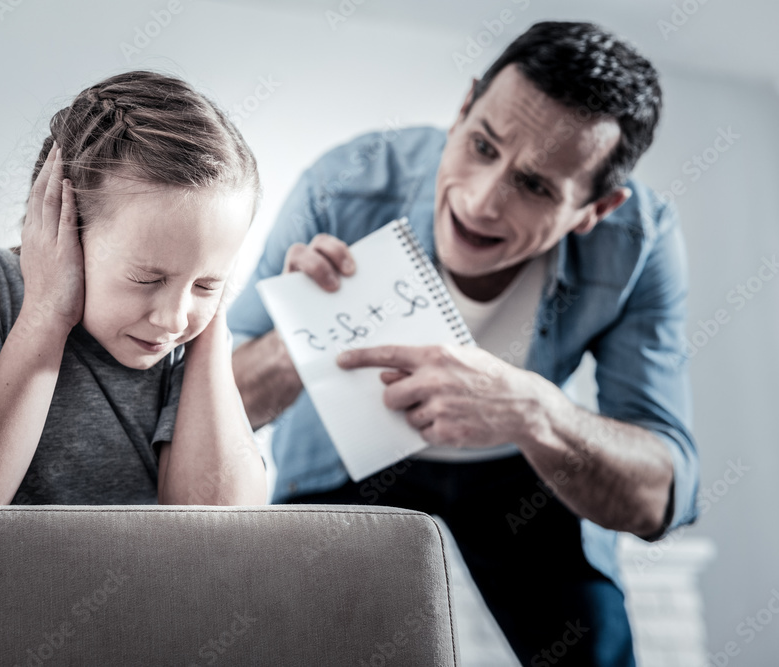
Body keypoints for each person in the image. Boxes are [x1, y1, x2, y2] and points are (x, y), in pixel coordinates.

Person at [228, 22, 699, 666]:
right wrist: (300, 338)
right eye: (482, 145)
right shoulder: (347, 183)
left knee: (595, 650)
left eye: (535, 186)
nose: (481, 202)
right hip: (344, 463)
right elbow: (221, 415)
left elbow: (658, 498)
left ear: (596, 210)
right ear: (462, 110)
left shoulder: (640, 244)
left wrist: (531, 412)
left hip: (523, 470)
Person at [0, 70, 267, 507]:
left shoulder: (186, 340)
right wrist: (47, 312)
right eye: (147, 278)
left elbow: (225, 533)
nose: (174, 319)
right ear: (63, 229)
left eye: (207, 283)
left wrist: (212, 328)